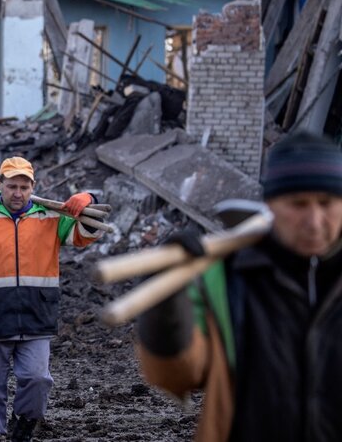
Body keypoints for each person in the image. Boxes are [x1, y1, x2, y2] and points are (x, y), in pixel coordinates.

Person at [136, 131, 342, 442]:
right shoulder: (228, 276)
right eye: (298, 204)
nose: (314, 221)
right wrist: (165, 302)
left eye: (326, 204)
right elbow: (174, 376)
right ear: (271, 205)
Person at [0, 156, 104, 442]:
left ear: (33, 187)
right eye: (11, 186)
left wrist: (89, 199)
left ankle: (25, 420)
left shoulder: (51, 218)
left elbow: (84, 235)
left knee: (37, 378)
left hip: (36, 317)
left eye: (23, 187)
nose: (17, 193)